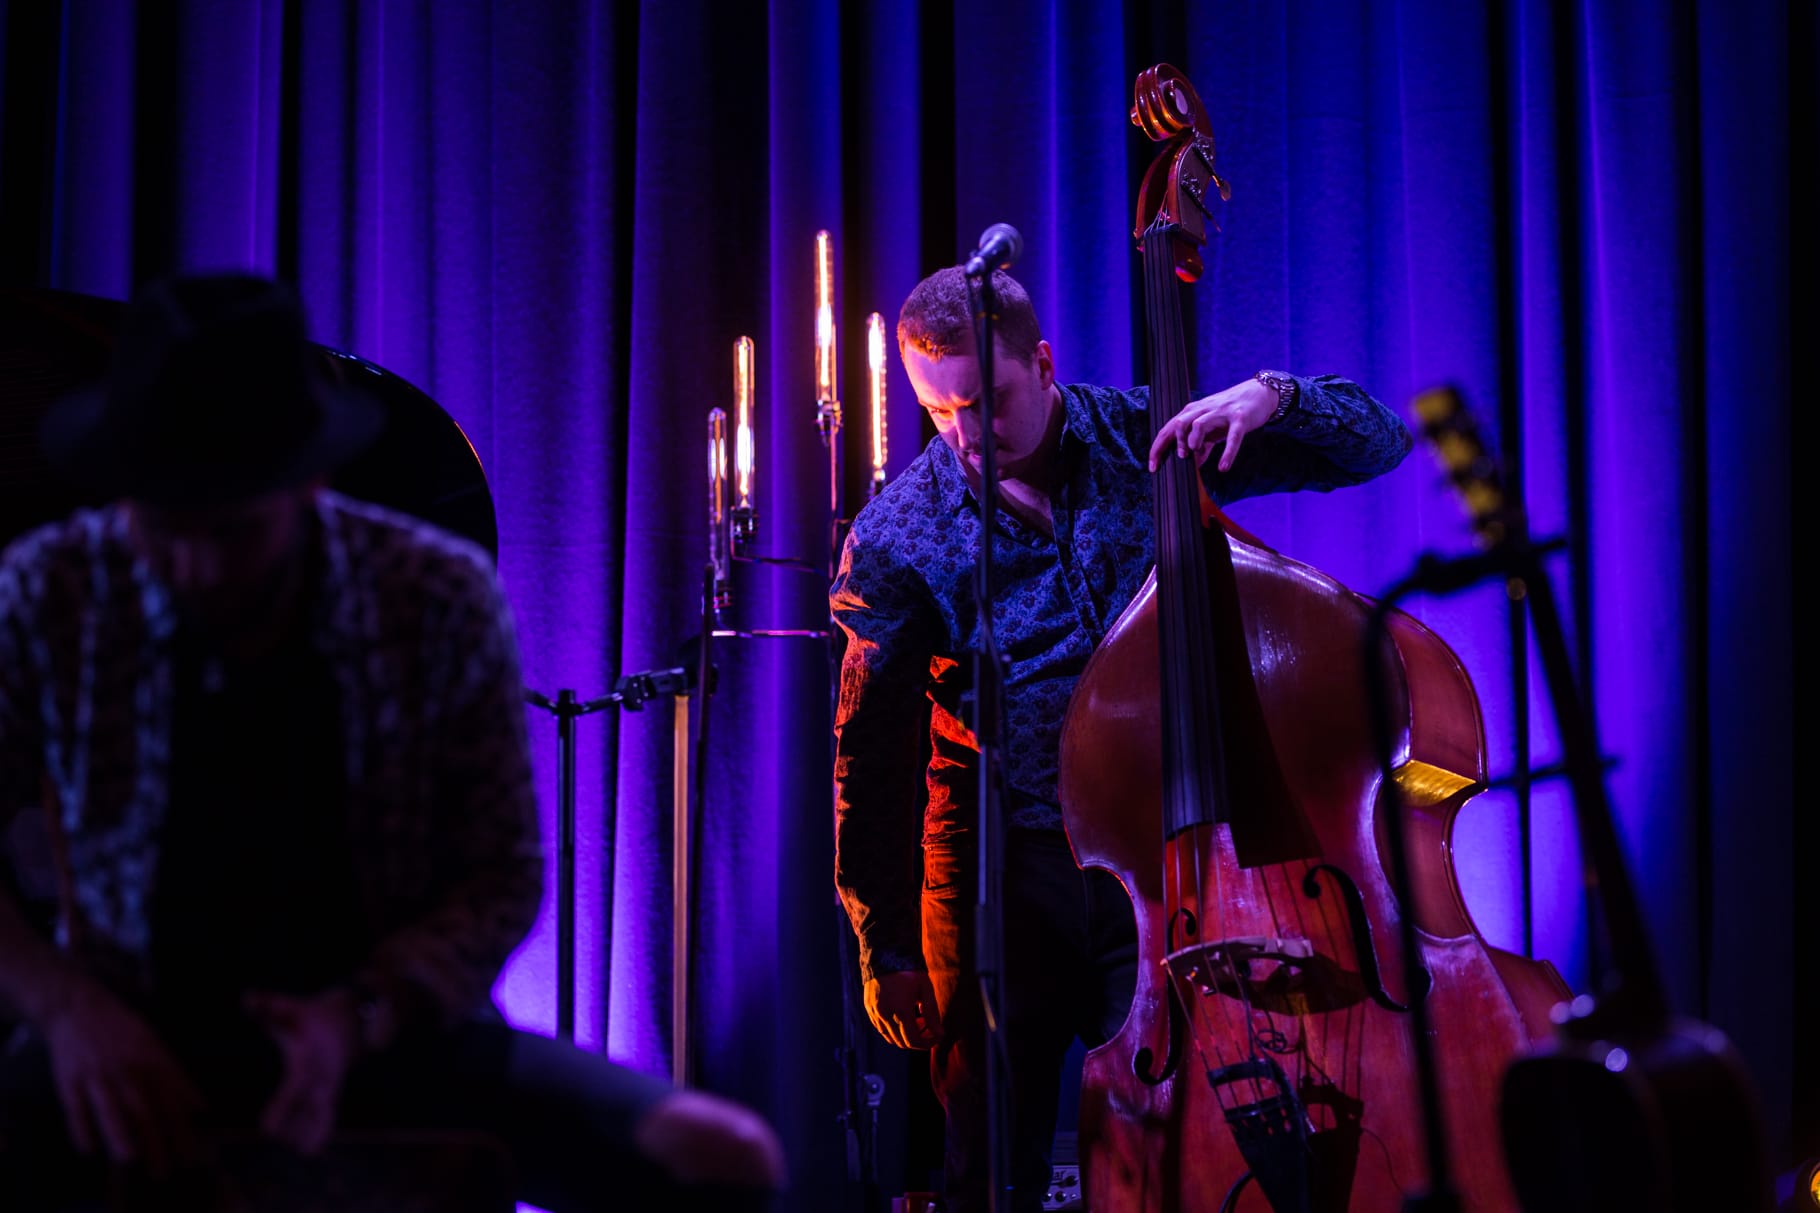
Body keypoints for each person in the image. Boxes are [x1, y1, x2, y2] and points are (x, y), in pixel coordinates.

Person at [0, 272, 787, 1211]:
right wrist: (68, 1009)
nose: (198, 567)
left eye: (235, 530)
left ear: (308, 483)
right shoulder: (51, 587)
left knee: (725, 1159)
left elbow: (503, 874)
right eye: (166, 526)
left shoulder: (432, 594)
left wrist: (363, 1013)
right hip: (128, 1030)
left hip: (391, 1031)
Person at [829, 265, 1414, 1212]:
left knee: (1172, 1140)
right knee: (987, 1156)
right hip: (1004, 865)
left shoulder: (1155, 442)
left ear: (1042, 362)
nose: (967, 435)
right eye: (939, 411)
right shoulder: (898, 535)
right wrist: (884, 944)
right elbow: (869, 756)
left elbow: (1380, 441)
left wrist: (1271, 397)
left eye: (985, 400)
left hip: (1172, 863)